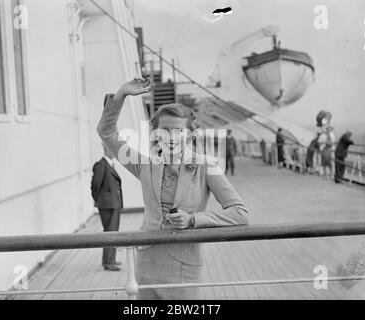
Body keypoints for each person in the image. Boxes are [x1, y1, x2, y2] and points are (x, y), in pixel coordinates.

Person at [97, 77, 249, 299]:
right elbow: (107, 133)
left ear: (190, 134)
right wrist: (121, 95)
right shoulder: (145, 165)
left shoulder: (207, 166)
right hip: (147, 265)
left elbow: (240, 213)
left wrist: (194, 220)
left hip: (184, 269)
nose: (171, 137)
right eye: (165, 130)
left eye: (178, 131)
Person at [91, 146, 123, 271]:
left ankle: (109, 259)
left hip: (113, 204)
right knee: (110, 233)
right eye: (111, 149)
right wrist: (99, 200)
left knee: (112, 232)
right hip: (107, 205)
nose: (114, 151)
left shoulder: (110, 164)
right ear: (106, 149)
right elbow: (95, 185)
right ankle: (109, 262)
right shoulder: (100, 165)